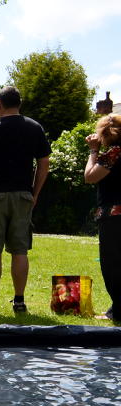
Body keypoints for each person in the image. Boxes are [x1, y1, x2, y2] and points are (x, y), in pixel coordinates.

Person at [0, 85, 51, 313]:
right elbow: (44, 165)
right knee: (20, 250)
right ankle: (20, 301)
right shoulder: (35, 128)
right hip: (23, 194)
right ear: (19, 104)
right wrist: (34, 193)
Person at [84, 113, 121, 321]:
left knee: (113, 265)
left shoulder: (113, 153)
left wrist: (93, 151)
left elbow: (90, 177)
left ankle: (118, 311)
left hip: (114, 218)